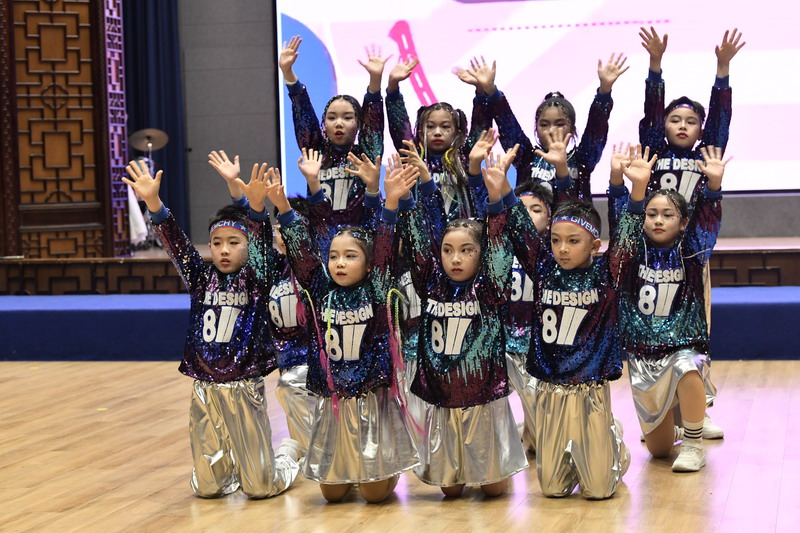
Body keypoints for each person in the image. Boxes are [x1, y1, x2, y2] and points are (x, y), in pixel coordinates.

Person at [122, 160, 301, 499]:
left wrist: (257, 209)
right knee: (207, 489)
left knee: (259, 489)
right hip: (205, 387)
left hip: (243, 385)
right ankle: (231, 466)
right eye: (217, 243)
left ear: (248, 245)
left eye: (234, 242)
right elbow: (177, 245)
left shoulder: (257, 279)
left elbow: (262, 248)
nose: (224, 250)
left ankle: (288, 455)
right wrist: (154, 204)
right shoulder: (200, 278)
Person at [505, 147, 655, 499]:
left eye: (573, 242)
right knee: (553, 490)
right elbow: (520, 231)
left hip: (590, 388)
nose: (562, 249)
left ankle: (613, 446)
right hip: (550, 388)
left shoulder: (607, 274)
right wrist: (503, 193)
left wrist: (637, 191)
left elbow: (628, 237)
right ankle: (582, 454)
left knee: (599, 491)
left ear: (594, 245)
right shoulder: (543, 269)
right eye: (556, 240)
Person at [268, 163, 421, 504]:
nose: (339, 263)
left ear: (368, 264)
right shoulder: (320, 289)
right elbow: (303, 256)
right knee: (333, 495)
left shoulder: (377, 288)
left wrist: (390, 204)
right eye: (334, 256)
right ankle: (349, 465)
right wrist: (284, 209)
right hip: (334, 401)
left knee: (373, 494)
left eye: (350, 256)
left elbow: (384, 247)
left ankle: (388, 467)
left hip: (370, 398)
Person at [399, 145, 528, 498]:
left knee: (494, 490)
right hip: (442, 397)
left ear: (481, 254)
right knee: (450, 492)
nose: (455, 258)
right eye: (448, 250)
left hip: (481, 398)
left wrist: (495, 199)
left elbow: (498, 242)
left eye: (466, 250)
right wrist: (414, 191)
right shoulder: (431, 282)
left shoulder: (490, 287)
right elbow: (420, 238)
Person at [638, 26, 744, 438]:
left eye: (691, 121)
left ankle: (698, 411)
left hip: (693, 257)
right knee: (657, 332)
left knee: (697, 334)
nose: (682, 126)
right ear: (663, 126)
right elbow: (650, 113)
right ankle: (664, 411)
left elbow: (721, 120)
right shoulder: (654, 153)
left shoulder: (706, 155)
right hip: (653, 258)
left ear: (701, 130)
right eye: (674, 119)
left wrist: (722, 71)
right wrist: (655, 66)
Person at [608, 145, 728, 471]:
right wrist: (628, 186)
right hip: (643, 355)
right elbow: (621, 227)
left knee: (688, 366)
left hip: (681, 345)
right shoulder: (631, 253)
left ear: (683, 221)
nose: (658, 220)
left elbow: (707, 224)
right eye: (652, 214)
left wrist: (713, 187)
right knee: (659, 451)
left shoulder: (692, 252)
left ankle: (693, 443)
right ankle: (676, 429)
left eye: (668, 215)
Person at [207, 150, 317, 455]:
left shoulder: (319, 270)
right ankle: (304, 453)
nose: (284, 235)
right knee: (294, 404)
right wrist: (238, 190)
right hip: (287, 364)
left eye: (292, 227)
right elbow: (255, 231)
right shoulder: (271, 269)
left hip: (322, 362)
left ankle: (316, 456)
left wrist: (300, 195)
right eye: (279, 229)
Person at [458, 54, 628, 203]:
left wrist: (604, 91)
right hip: (531, 230)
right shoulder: (525, 157)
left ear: (572, 129)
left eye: (560, 124)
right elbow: (507, 123)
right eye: (544, 124)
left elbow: (597, 128)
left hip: (572, 229)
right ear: (536, 129)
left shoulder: (583, 159)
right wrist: (490, 90)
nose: (552, 130)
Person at [279, 35, 387, 229]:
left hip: (359, 239)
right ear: (324, 125)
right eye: (332, 118)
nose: (339, 123)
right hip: (323, 239)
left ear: (358, 124)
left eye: (347, 117)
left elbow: (373, 124)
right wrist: (288, 72)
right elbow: (303, 114)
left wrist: (375, 81)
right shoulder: (315, 153)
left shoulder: (365, 155)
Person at [386, 56, 492, 223]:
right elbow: (399, 124)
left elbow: (481, 124)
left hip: (459, 233)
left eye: (445, 127)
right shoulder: (413, 156)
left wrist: (480, 91)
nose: (437, 132)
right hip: (423, 233)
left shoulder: (465, 157)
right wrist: (393, 87)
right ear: (420, 132)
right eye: (430, 127)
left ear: (457, 133)